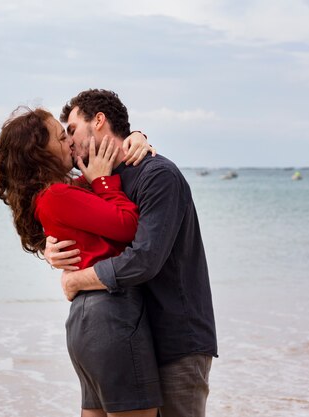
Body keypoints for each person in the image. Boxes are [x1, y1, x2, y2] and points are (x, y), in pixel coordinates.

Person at [45, 89, 218, 417]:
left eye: (72, 130)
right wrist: (49, 247)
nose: (69, 141)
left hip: (174, 339)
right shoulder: (96, 180)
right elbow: (61, 214)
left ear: (98, 121)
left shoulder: (158, 175)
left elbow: (144, 260)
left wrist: (75, 282)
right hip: (128, 337)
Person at [0, 107, 161, 417]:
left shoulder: (64, 190)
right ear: (40, 153)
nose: (71, 141)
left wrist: (136, 136)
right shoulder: (57, 195)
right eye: (62, 137)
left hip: (87, 319)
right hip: (112, 313)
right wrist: (105, 181)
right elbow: (129, 226)